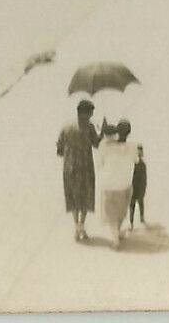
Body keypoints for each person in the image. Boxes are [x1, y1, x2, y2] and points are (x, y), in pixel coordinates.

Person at [56, 99, 101, 241]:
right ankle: (82, 226)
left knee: (74, 198)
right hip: (86, 167)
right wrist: (103, 132)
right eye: (91, 112)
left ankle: (77, 227)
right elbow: (97, 144)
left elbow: (60, 151)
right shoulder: (90, 127)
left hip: (69, 168)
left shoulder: (66, 127)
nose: (92, 115)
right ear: (86, 113)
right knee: (86, 197)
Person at [95, 120, 139, 246]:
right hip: (125, 183)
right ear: (129, 133)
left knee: (111, 213)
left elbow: (99, 163)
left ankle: (115, 238)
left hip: (109, 183)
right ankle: (118, 233)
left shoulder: (104, 145)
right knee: (121, 211)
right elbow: (136, 160)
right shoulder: (132, 146)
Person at [129, 144, 148, 229]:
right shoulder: (132, 164)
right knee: (132, 204)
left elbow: (144, 178)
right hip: (133, 186)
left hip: (140, 187)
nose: (139, 154)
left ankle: (141, 218)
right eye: (138, 152)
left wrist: (143, 189)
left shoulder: (143, 165)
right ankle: (131, 222)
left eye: (140, 152)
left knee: (140, 202)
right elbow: (129, 176)